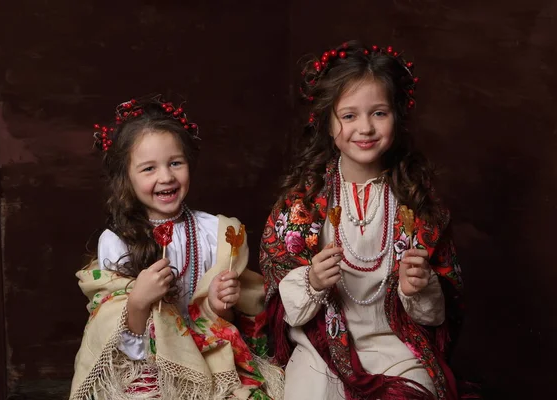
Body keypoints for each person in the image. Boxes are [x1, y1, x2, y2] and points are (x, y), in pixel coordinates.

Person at [259, 41, 465, 400]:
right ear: (327, 122)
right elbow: (278, 287)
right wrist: (312, 280)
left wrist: (420, 285)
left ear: (397, 117)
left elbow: (440, 310)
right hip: (320, 349)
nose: (365, 128)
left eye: (379, 113)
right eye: (349, 115)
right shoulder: (304, 202)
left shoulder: (415, 202)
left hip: (397, 347)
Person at [70, 94, 283, 400]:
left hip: (208, 355)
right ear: (125, 178)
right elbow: (122, 339)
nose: (166, 177)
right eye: (148, 169)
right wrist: (139, 302)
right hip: (147, 365)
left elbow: (224, 320)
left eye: (175, 163)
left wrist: (218, 304)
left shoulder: (216, 232)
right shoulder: (117, 241)